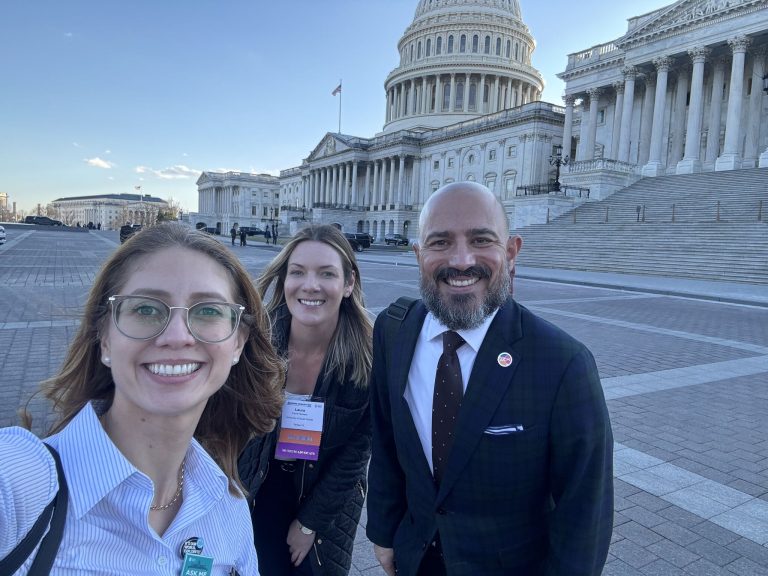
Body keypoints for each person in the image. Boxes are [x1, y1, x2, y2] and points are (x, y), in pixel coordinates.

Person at [1, 222, 284, 573]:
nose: (177, 336)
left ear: (237, 343)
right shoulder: (18, 485)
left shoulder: (229, 509)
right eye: (146, 309)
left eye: (208, 310)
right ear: (104, 338)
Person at [366, 182, 613, 576]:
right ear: (418, 256)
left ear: (511, 252)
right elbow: (386, 439)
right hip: (416, 557)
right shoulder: (393, 330)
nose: (461, 260)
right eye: (440, 242)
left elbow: (585, 512)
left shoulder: (564, 364)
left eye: (481, 239)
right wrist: (382, 531)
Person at [239, 224, 372, 576]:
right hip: (258, 485)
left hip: (324, 498)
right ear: (285, 281)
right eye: (297, 272)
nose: (310, 285)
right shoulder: (255, 344)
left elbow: (357, 453)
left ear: (348, 284)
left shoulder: (368, 357)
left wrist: (309, 523)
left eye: (327, 273)